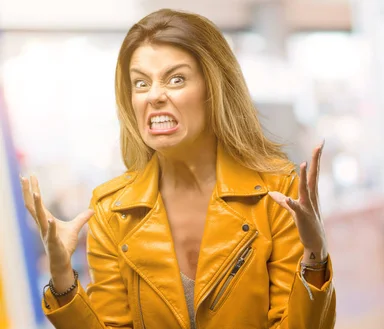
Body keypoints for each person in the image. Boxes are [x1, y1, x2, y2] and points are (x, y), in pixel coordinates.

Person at [19, 9, 335, 329]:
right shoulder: (112, 210)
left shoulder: (277, 192)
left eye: (176, 79)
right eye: (141, 83)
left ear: (213, 89)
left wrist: (315, 256)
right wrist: (61, 277)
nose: (155, 95)